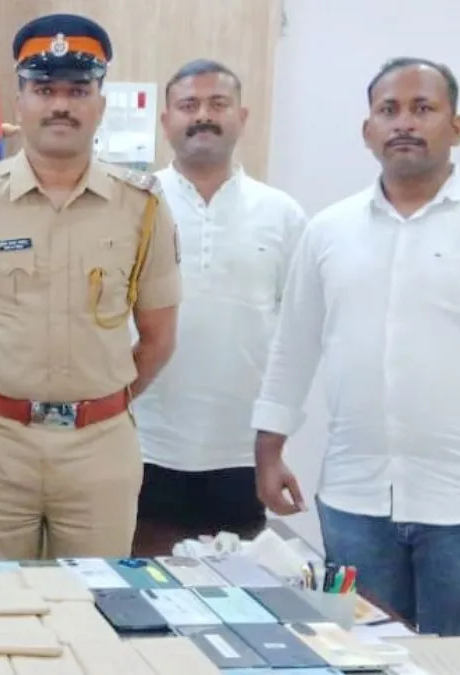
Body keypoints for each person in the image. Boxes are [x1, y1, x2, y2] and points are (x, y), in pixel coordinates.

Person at [252, 57, 460, 645]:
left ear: (457, 127)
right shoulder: (329, 231)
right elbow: (292, 347)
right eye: (388, 110)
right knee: (362, 654)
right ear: (368, 130)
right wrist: (269, 450)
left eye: (423, 108)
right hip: (354, 498)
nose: (404, 123)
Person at [0, 13, 182, 560]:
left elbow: (158, 338)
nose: (61, 104)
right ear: (20, 102)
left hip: (100, 448)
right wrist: (2, 392)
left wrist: (97, 403)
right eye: (44, 90)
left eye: (78, 90)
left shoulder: (143, 206)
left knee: (96, 599)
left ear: (100, 103)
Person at [130, 59, 307, 556]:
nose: (203, 116)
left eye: (218, 104)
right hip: (140, 443)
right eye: (189, 105)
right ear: (166, 120)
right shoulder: (133, 204)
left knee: (232, 592)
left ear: (242, 118)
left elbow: (298, 339)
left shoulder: (283, 215)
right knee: (138, 588)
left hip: (240, 453)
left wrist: (275, 443)